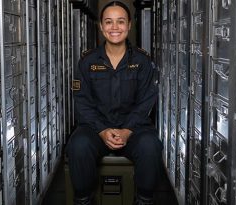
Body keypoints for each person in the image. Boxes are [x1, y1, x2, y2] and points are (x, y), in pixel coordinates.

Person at [66, 1, 163, 205]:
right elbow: (82, 101)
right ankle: (83, 199)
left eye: (121, 22)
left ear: (129, 25)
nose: (115, 27)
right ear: (101, 26)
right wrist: (102, 130)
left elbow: (146, 101)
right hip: (95, 129)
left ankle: (144, 200)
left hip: (134, 129)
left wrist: (127, 130)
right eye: (109, 22)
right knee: (78, 145)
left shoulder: (143, 61)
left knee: (150, 145)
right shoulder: (87, 61)